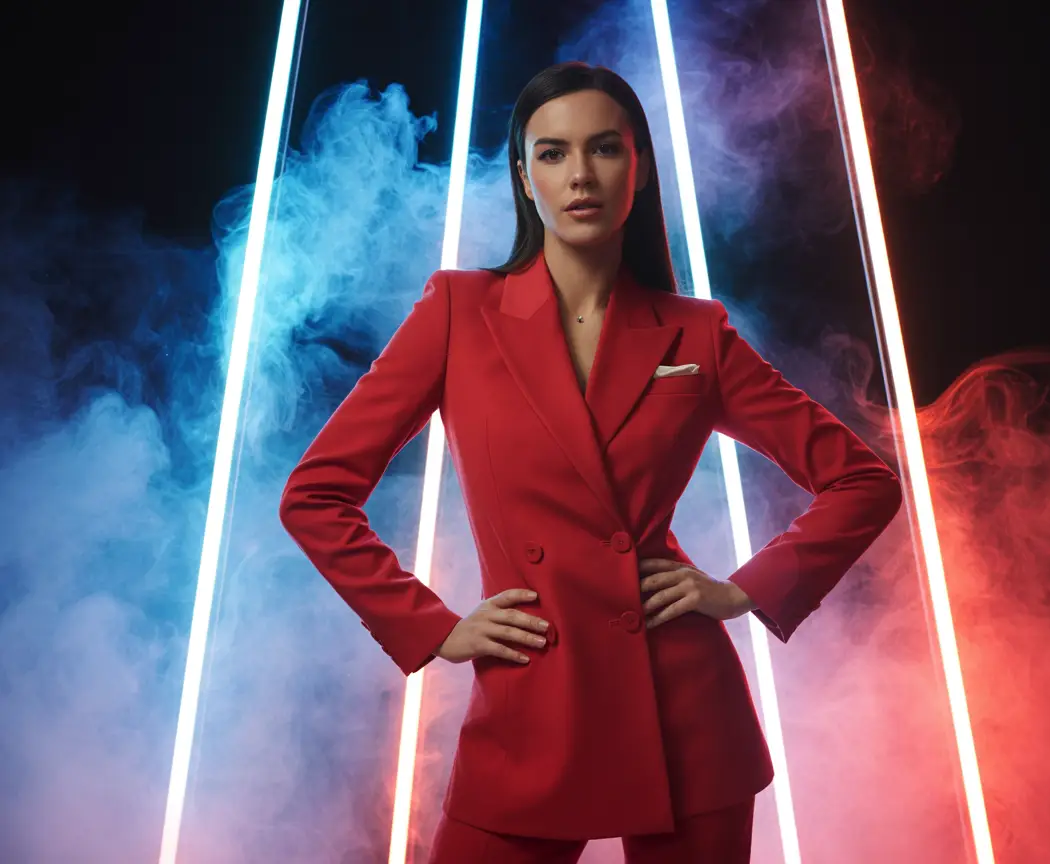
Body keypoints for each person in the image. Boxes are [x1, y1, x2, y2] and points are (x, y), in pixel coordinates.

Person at [280, 61, 903, 864]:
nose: (579, 175)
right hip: (533, 699)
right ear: (522, 175)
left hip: (684, 712)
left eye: (604, 150)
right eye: (552, 153)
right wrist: (433, 627)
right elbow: (316, 496)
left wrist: (745, 588)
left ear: (637, 168)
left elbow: (862, 480)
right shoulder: (458, 313)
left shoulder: (697, 333)